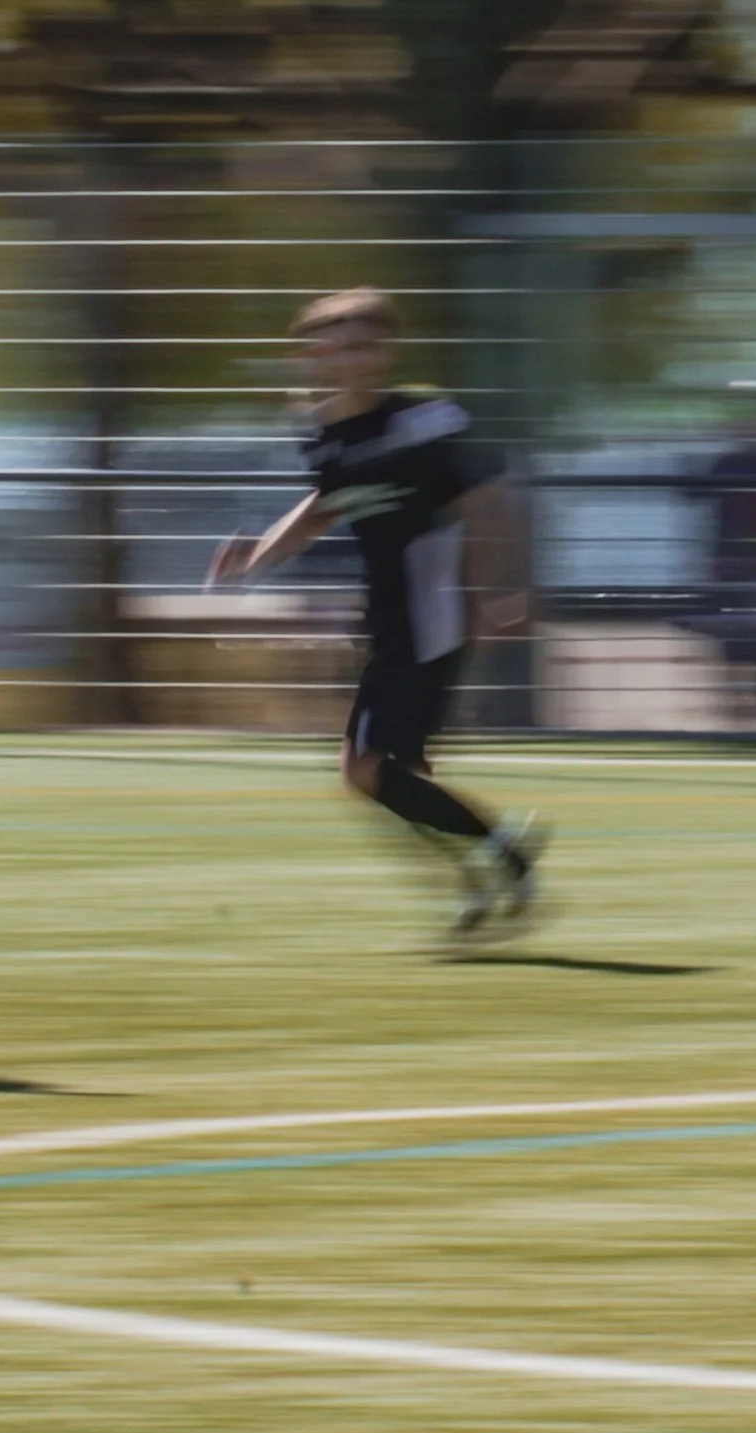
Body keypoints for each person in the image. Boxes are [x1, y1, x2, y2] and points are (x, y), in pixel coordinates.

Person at [210, 288, 543, 946]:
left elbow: (490, 499)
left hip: (431, 615)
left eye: (369, 344)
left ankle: (495, 857)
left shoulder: (427, 420)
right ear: (314, 355)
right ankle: (485, 872)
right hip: (391, 617)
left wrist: (496, 590)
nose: (357, 359)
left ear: (387, 353)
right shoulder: (323, 430)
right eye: (342, 345)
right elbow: (324, 505)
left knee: (363, 768)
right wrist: (257, 557)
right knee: (389, 777)